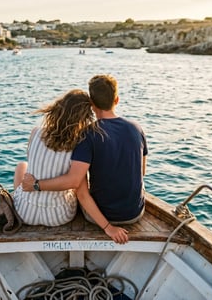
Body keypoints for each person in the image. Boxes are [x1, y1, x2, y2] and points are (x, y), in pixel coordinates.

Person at [23, 75, 148, 244]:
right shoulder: (136, 128)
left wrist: (108, 228)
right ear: (117, 100)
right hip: (135, 214)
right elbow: (142, 172)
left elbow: (77, 185)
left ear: (92, 105)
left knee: (80, 186)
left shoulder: (88, 134)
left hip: (100, 218)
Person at [13, 89, 97, 226]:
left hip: (25, 212)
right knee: (78, 179)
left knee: (22, 166)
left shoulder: (35, 133)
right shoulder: (79, 145)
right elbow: (78, 187)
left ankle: (22, 199)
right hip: (59, 215)